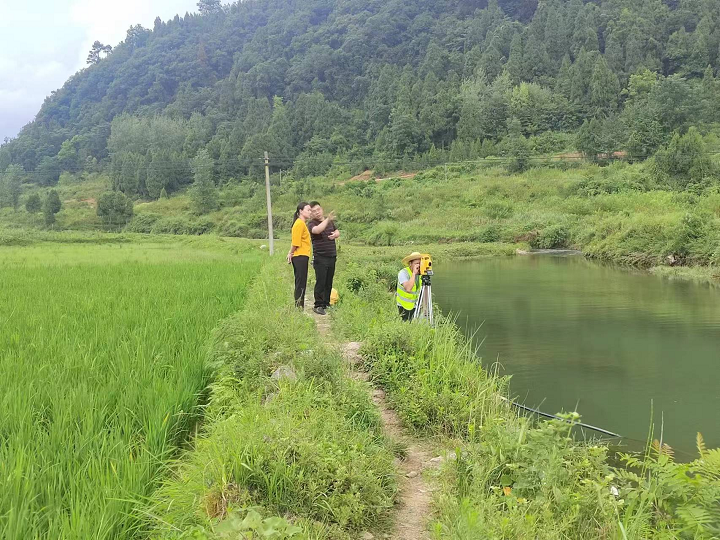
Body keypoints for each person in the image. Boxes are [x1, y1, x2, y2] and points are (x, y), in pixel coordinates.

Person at [308, 201, 339, 315]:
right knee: (320, 282)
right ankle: (318, 305)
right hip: (320, 257)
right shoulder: (312, 224)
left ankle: (326, 303)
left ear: (322, 209)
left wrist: (335, 234)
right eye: (314, 211)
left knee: (328, 281)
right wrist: (327, 219)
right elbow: (317, 230)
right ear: (311, 214)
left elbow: (337, 231)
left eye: (318, 210)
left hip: (331, 256)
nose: (317, 212)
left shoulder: (329, 222)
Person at [287, 202, 313, 309]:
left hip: (302, 256)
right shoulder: (299, 224)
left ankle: (299, 306)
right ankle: (298, 307)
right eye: (308, 210)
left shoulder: (302, 224)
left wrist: (290, 252)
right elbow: (296, 243)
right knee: (300, 283)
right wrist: (291, 253)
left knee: (301, 282)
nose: (310, 212)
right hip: (300, 256)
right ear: (300, 211)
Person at [396, 252, 422, 321]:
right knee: (406, 325)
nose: (418, 265)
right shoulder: (403, 273)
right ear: (410, 264)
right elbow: (408, 288)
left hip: (415, 305)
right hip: (403, 306)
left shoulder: (421, 274)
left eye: (420, 263)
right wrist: (414, 273)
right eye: (416, 263)